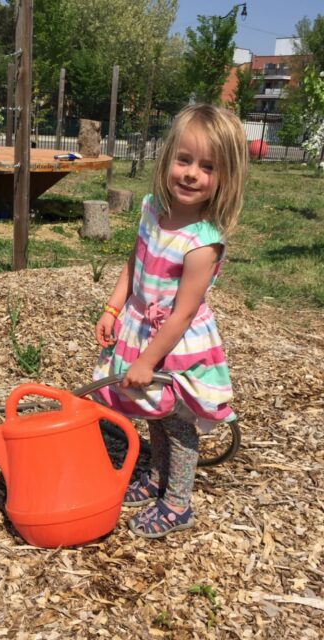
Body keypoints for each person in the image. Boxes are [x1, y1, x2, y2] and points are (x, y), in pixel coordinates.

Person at [93, 104, 248, 539]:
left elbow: (182, 314)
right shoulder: (151, 210)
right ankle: (157, 476)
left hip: (174, 346)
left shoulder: (202, 244)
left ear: (225, 178)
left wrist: (147, 360)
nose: (192, 174)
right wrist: (113, 307)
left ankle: (178, 503)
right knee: (153, 413)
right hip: (142, 329)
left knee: (177, 423)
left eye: (208, 167)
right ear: (167, 159)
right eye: (184, 160)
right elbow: (135, 261)